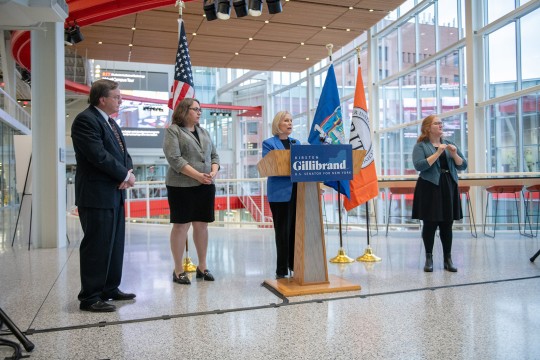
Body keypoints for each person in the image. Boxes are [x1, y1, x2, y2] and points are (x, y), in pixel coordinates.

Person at [71, 79, 136, 312]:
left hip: (114, 194)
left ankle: (109, 288)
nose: (121, 100)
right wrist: (124, 175)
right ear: (102, 99)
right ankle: (90, 297)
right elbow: (97, 155)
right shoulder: (85, 120)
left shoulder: (110, 122)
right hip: (96, 194)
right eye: (117, 97)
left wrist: (127, 171)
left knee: (114, 243)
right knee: (97, 245)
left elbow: (122, 152)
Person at [163, 98, 220, 285]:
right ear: (184, 111)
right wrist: (197, 175)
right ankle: (178, 269)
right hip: (181, 186)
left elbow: (214, 155)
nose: (199, 112)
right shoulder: (174, 131)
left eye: (200, 109)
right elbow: (175, 159)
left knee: (202, 225)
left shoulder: (204, 132)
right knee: (181, 226)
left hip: (205, 185)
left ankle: (202, 266)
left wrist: (213, 171)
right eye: (195, 109)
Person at [411, 115, 467, 273]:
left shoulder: (450, 144)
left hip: (448, 185)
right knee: (430, 223)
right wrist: (437, 153)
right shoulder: (421, 146)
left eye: (441, 123)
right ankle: (429, 258)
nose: (441, 125)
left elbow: (463, 165)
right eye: (437, 123)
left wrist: (455, 154)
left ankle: (447, 259)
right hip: (429, 187)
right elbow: (419, 166)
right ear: (428, 127)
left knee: (447, 224)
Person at [262, 111, 299, 279]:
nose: (289, 123)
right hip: (279, 193)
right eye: (286, 120)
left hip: (298, 191)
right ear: (278, 124)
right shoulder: (269, 144)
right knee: (282, 231)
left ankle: (295, 265)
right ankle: (281, 269)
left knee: (295, 230)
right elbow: (270, 166)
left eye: (291, 120)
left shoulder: (296, 143)